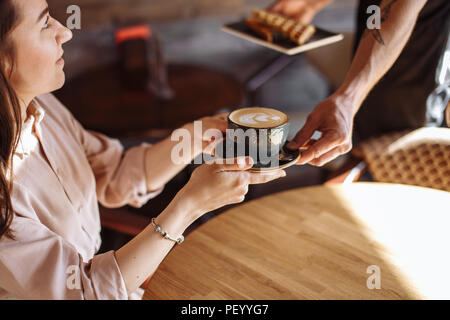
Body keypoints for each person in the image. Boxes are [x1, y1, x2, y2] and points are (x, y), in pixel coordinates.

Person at [0, 0, 286, 299]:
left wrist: (193, 137)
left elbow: (113, 175)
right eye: (45, 24)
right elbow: (84, 292)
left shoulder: (41, 105)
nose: (66, 32)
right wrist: (190, 206)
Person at [269, 0, 450, 166]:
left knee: (403, 161)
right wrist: (310, 4)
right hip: (368, 50)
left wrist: (347, 99)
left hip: (416, 72)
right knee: (360, 147)